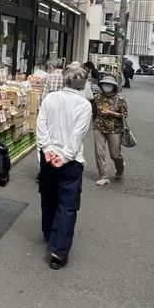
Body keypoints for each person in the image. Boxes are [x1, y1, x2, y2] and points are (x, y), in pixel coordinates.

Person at [36, 63, 93, 270]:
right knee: (67, 205)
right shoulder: (84, 105)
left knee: (48, 196)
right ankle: (58, 252)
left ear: (65, 79)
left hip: (48, 157)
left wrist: (47, 149)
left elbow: (41, 124)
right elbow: (78, 134)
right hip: (71, 162)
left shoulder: (51, 98)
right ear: (84, 83)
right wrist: (65, 156)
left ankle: (48, 232)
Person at [93, 73, 128, 187]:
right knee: (99, 152)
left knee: (115, 155)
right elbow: (94, 111)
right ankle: (103, 176)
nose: (106, 86)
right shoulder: (97, 97)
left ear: (114, 86)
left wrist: (111, 113)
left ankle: (120, 167)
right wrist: (94, 122)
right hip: (99, 126)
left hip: (115, 129)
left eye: (109, 84)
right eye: (104, 84)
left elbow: (124, 114)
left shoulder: (120, 98)